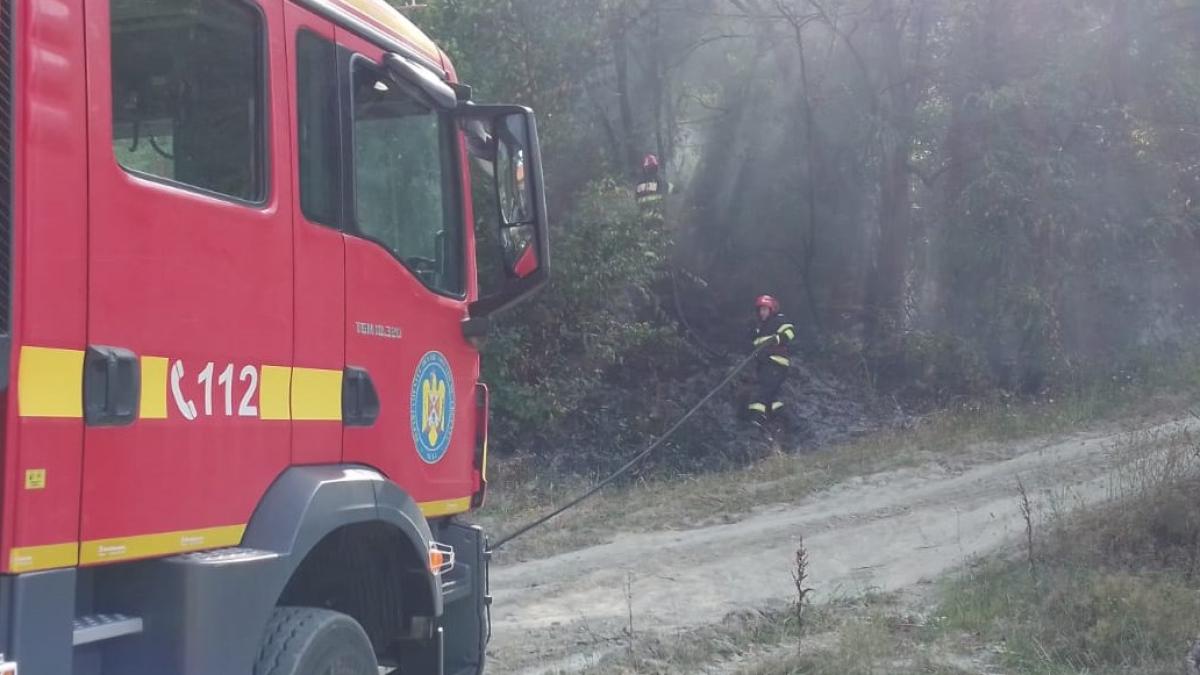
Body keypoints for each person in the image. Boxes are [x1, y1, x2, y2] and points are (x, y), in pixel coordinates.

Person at [747, 295, 796, 427]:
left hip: (776, 363)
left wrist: (778, 339)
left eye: (765, 309)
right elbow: (754, 345)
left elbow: (790, 332)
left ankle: (754, 419)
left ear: (772, 309)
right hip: (765, 365)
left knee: (762, 393)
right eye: (760, 310)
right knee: (772, 397)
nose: (762, 312)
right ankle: (789, 422)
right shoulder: (760, 328)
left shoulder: (778, 320)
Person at [634, 153, 665, 223]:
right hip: (652, 214)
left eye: (652, 168)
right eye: (651, 168)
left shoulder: (640, 181)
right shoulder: (657, 180)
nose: (652, 170)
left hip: (647, 214)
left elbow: (636, 197)